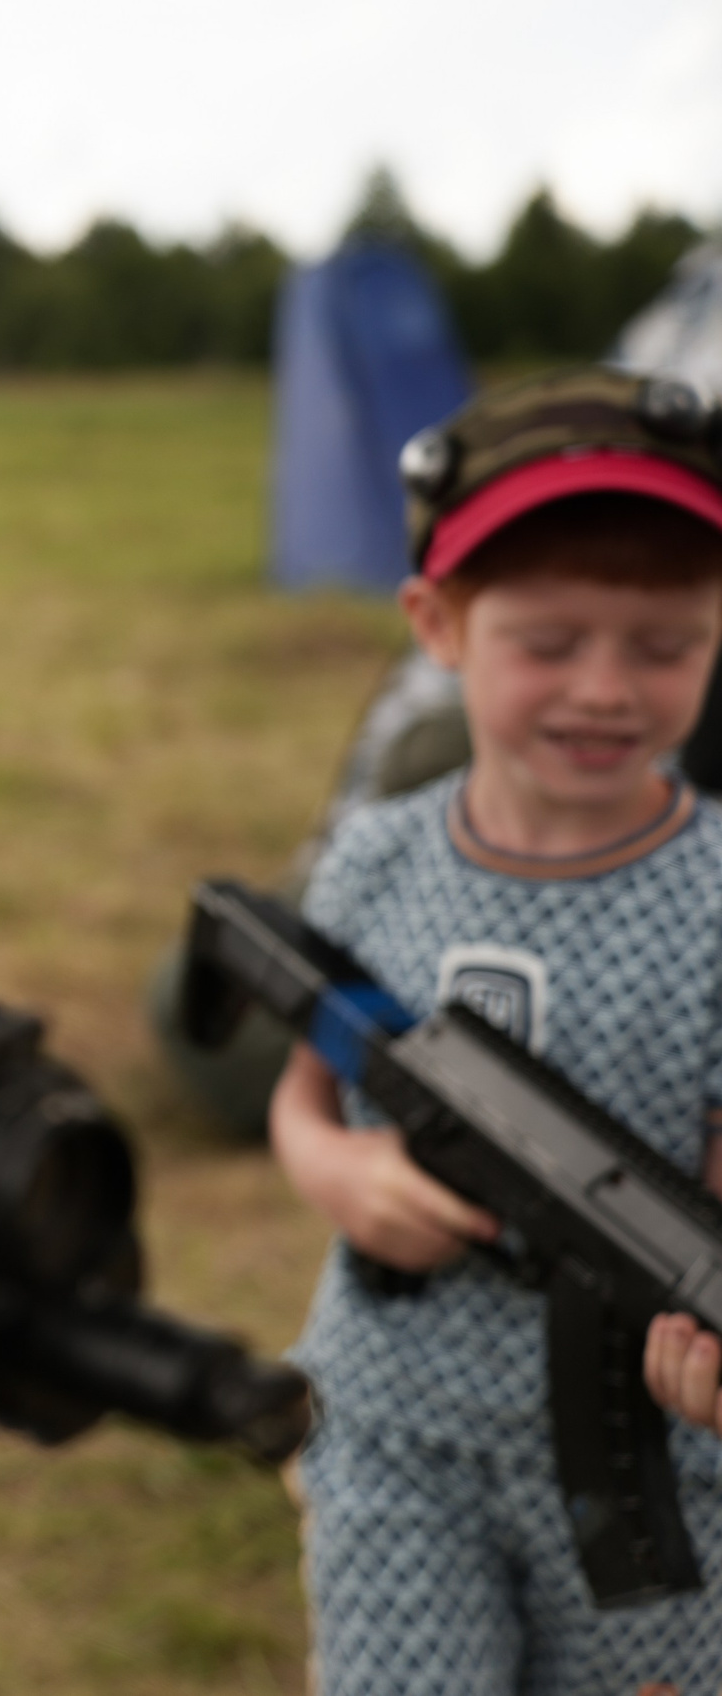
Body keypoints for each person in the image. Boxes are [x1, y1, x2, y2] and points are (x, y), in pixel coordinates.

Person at [270, 366, 722, 1693]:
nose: (605, 686)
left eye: (665, 642)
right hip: (396, 1433)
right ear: (439, 622)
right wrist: (340, 1169)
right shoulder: (374, 859)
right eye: (549, 638)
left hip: (662, 1473)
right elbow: (305, 1094)